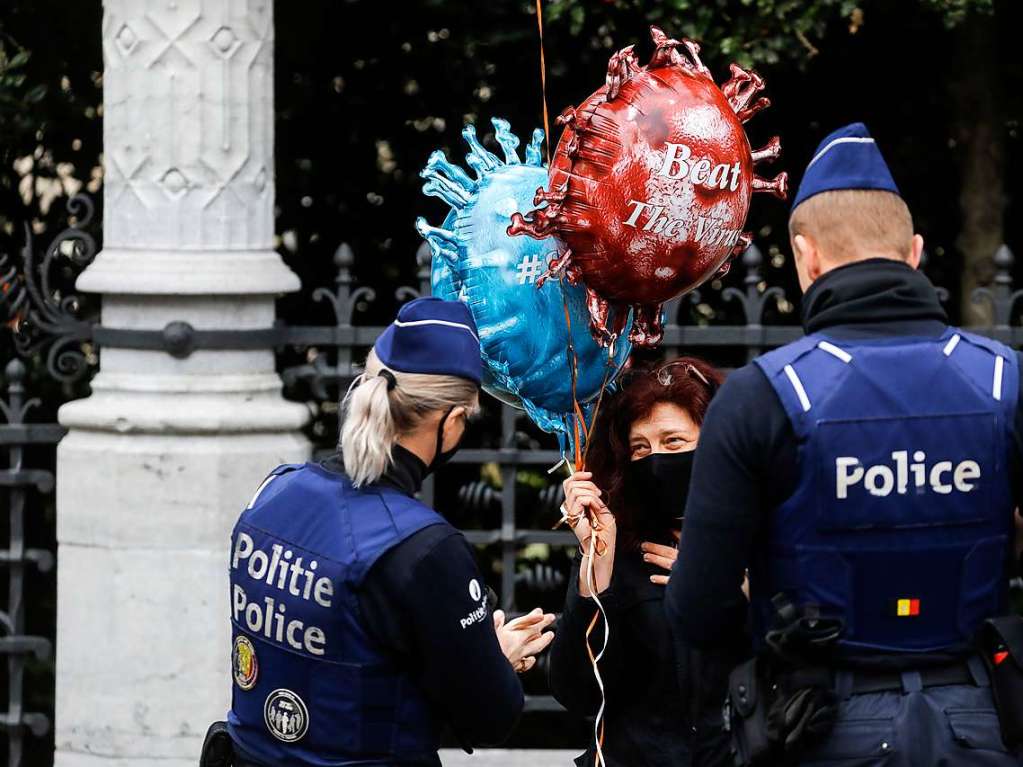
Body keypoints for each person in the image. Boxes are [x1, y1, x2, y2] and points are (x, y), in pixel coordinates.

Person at [666, 122, 1023, 765]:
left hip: (820, 725)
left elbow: (697, 608)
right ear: (913, 252)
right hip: (979, 718)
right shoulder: (1005, 382)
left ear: (805, 258)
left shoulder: (764, 395)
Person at [201, 297, 556, 767]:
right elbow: (490, 717)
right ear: (450, 422)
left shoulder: (273, 492)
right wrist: (495, 658)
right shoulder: (422, 548)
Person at [547, 357, 743, 767]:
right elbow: (578, 691)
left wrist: (728, 588)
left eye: (673, 442)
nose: (656, 459)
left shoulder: (761, 539)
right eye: (641, 447)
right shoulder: (622, 549)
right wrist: (595, 564)